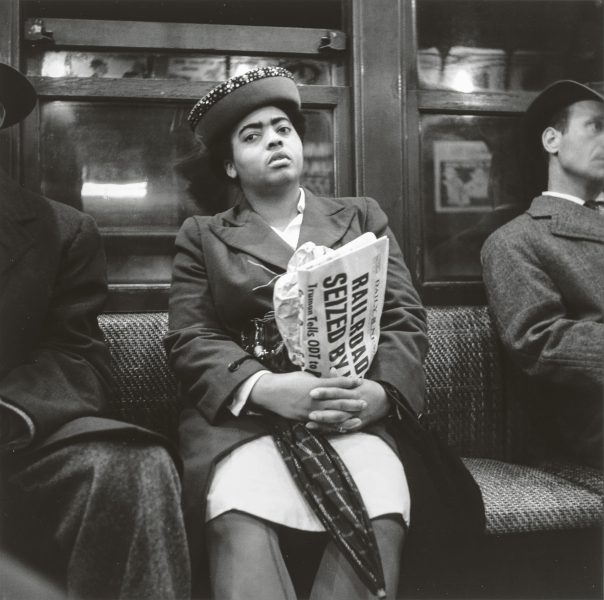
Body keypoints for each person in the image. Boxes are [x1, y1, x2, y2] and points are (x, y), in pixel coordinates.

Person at [165, 66, 484, 600]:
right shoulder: (203, 237)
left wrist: (380, 394)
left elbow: (403, 319)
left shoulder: (361, 217)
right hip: (249, 418)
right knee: (240, 515)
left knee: (380, 507)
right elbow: (192, 337)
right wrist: (266, 388)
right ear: (229, 164)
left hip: (349, 409)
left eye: (283, 128)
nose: (273, 139)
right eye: (253, 135)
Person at [0, 62, 191, 599]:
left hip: (16, 446)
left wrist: (7, 416)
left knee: (133, 468)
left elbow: (77, 358)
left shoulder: (58, 231)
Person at [481, 80, 604, 469]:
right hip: (585, 425)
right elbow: (539, 342)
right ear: (552, 140)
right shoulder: (516, 240)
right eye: (597, 126)